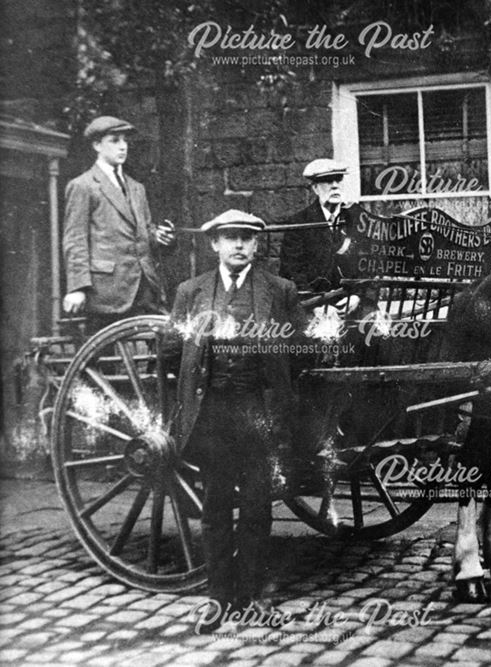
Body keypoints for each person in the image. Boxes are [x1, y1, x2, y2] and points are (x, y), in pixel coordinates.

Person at [169, 210, 306, 634]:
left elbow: (301, 348)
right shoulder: (191, 292)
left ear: (257, 244)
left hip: (258, 413)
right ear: (214, 245)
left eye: (247, 238)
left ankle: (251, 598)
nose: (239, 245)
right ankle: (217, 598)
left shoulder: (279, 290)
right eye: (230, 238)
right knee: (213, 508)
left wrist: (274, 389)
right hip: (213, 414)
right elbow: (171, 352)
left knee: (256, 506)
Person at [62, 115, 175, 332]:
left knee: (147, 358)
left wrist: (157, 236)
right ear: (97, 145)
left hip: (144, 287)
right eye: (114, 141)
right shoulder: (83, 186)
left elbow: (143, 230)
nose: (122, 147)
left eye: (125, 141)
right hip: (105, 293)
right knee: (108, 362)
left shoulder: (136, 188)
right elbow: (74, 240)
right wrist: (77, 287)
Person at [277, 158, 363, 298]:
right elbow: (293, 271)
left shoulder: (357, 219)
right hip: (315, 304)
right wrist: (317, 305)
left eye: (339, 180)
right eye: (328, 181)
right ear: (315, 188)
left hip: (353, 300)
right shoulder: (300, 223)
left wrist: (357, 296)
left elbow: (368, 265)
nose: (335, 186)